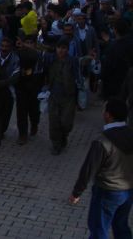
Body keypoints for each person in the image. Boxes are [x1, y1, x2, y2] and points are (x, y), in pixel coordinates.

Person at [70, 98, 133, 239]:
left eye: (104, 110)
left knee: (99, 229)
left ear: (108, 115)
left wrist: (76, 193)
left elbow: (88, 170)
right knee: (121, 226)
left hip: (107, 192)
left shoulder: (102, 141)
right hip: (128, 192)